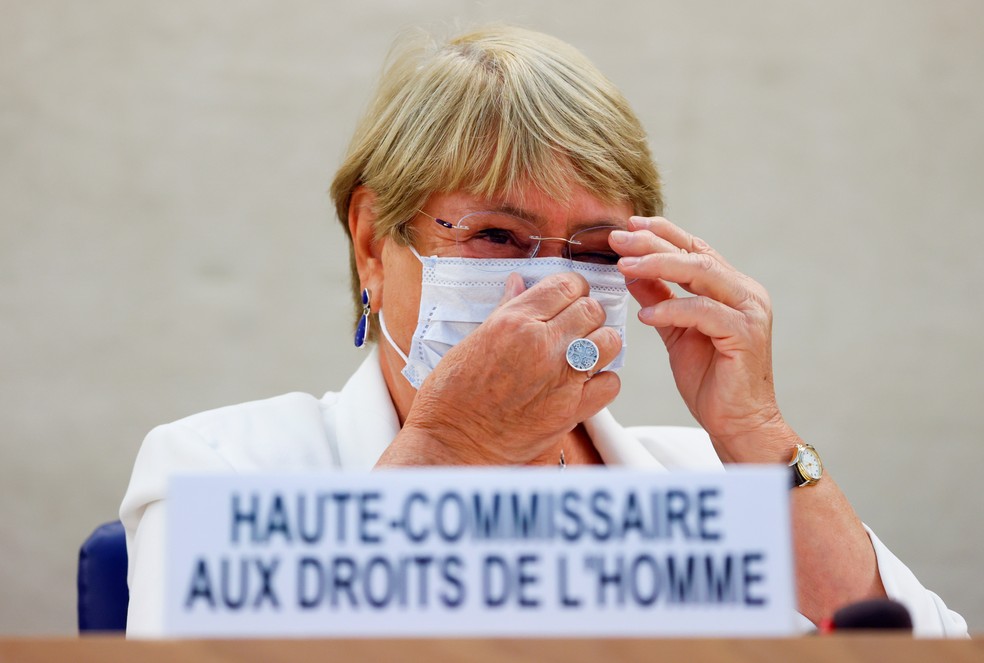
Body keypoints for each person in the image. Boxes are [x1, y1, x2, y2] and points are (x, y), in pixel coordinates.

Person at [119, 24, 967, 637]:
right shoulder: (221, 468)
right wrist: (449, 449)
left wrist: (757, 435)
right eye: (495, 236)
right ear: (374, 242)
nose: (558, 283)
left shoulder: (710, 482)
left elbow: (906, 642)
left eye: (596, 248)